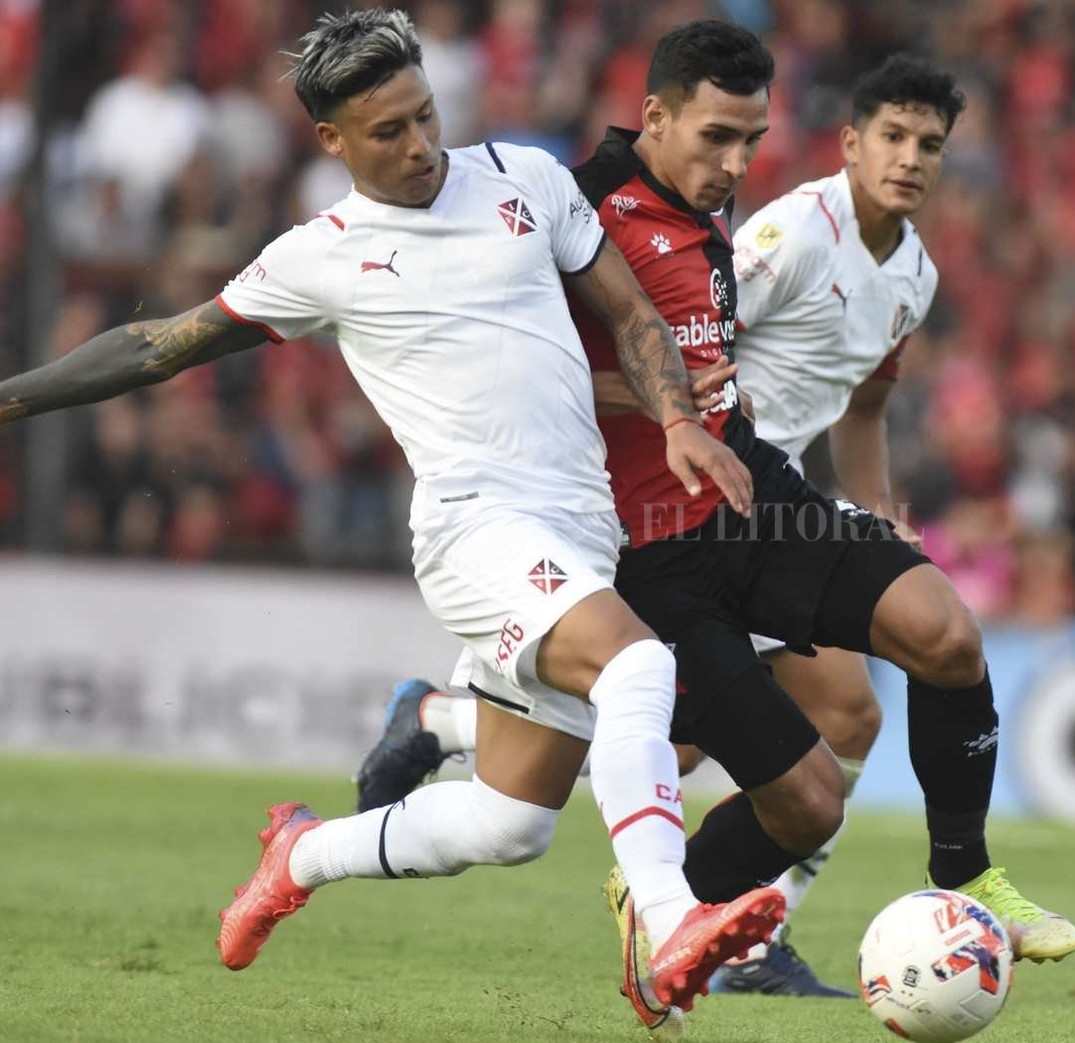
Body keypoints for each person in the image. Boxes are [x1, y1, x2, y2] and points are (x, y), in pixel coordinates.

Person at [0, 8, 783, 1022]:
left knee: (510, 821)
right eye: (387, 131)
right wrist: (9, 398)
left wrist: (676, 413)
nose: (418, 146)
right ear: (332, 140)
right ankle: (668, 910)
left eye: (425, 115)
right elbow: (155, 344)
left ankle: (300, 851)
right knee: (638, 664)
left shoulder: (527, 178)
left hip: (578, 524)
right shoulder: (320, 254)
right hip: (474, 527)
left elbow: (631, 315)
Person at [352, 22, 1075, 1013]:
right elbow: (533, 374)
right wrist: (665, 403)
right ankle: (665, 901)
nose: (736, 166)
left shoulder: (876, 263)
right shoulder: (587, 214)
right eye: (717, 139)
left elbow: (857, 401)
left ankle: (958, 874)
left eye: (749, 141)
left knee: (941, 632)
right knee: (761, 773)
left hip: (757, 494)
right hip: (642, 550)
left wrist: (869, 517)